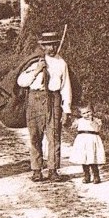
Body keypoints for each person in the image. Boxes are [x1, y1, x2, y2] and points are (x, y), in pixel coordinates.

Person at [17, 30, 72, 182]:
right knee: (35, 136)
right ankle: (36, 169)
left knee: (54, 136)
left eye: (54, 45)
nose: (52, 48)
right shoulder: (35, 61)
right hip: (34, 99)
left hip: (53, 100)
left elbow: (66, 87)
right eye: (48, 45)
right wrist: (37, 70)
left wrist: (66, 110)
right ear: (42, 46)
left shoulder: (62, 63)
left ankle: (53, 170)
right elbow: (21, 82)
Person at [69, 104, 105, 184]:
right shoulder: (79, 121)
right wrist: (73, 124)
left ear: (92, 111)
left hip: (92, 140)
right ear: (81, 114)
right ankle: (86, 176)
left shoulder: (96, 120)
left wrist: (92, 121)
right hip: (82, 141)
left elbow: (96, 129)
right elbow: (72, 128)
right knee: (84, 159)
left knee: (92, 159)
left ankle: (96, 176)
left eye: (88, 112)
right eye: (84, 113)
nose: (87, 114)